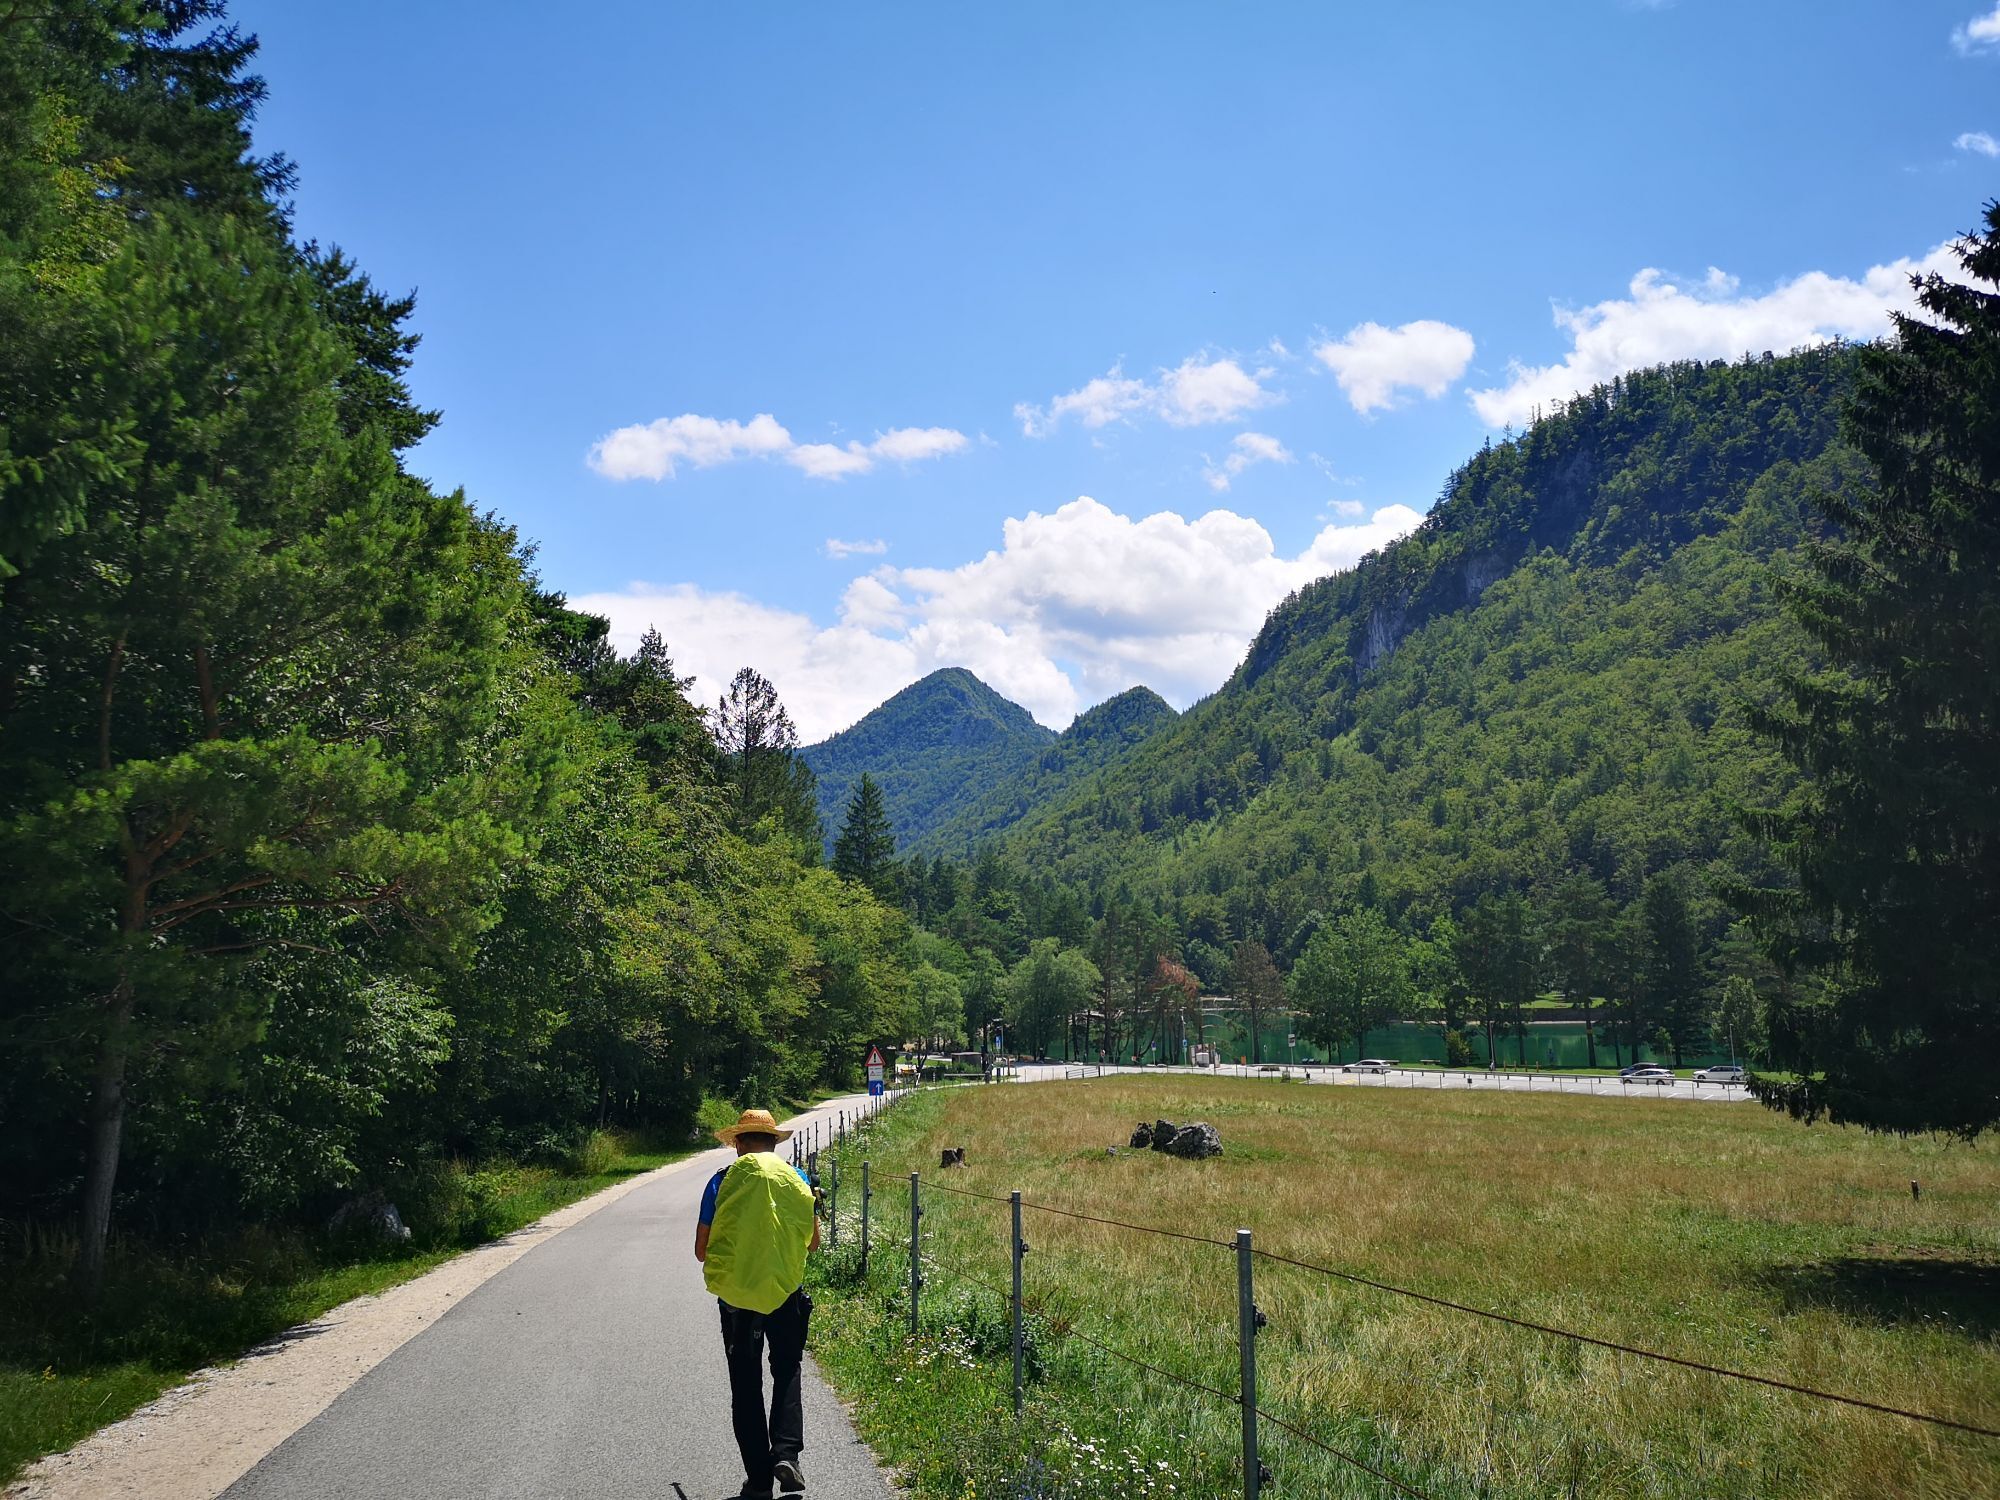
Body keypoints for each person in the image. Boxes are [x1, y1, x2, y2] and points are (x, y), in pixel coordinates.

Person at [695, 1109, 819, 1499]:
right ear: (773, 1143)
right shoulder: (797, 1179)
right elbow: (813, 1243)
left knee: (746, 1384)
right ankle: (787, 1454)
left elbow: (701, 1250)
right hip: (784, 1292)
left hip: (737, 1299)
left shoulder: (721, 1181)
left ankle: (759, 1479)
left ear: (738, 1143)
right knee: (787, 1368)